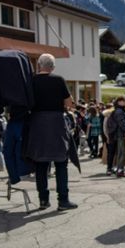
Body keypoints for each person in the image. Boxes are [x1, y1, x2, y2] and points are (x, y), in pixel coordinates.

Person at [25, 53, 77, 211]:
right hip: (56, 122)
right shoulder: (58, 80)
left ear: (39, 65)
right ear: (53, 67)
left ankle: (43, 200)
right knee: (61, 162)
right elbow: (69, 103)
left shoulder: (31, 81)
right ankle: (63, 200)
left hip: (37, 122)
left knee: (41, 164)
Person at [106, 97, 125, 177]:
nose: (124, 102)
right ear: (118, 102)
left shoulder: (119, 111)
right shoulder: (119, 111)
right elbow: (122, 123)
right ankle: (120, 170)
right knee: (123, 153)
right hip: (120, 135)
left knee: (121, 153)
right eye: (121, 101)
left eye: (124, 100)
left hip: (120, 134)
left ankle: (119, 170)